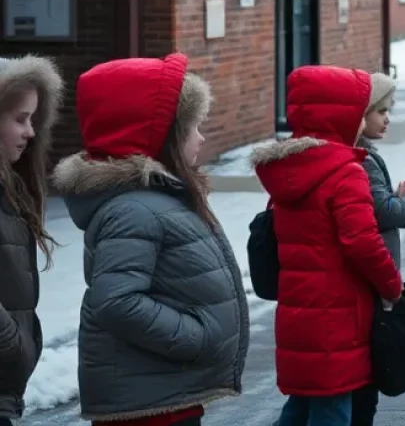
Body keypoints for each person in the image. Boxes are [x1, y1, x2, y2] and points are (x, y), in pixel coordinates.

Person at [52, 54, 249, 426]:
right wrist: (195, 337)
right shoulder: (133, 210)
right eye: (193, 127)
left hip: (166, 393)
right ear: (160, 137)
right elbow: (115, 301)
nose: (202, 137)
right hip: (147, 406)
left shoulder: (154, 199)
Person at [253, 66, 403, 426]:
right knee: (332, 410)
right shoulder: (344, 171)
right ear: (345, 115)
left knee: (304, 404)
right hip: (338, 316)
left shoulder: (290, 169)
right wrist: (392, 286)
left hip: (299, 311)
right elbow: (362, 242)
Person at [352, 72, 405, 425]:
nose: (388, 118)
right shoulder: (362, 159)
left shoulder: (363, 156)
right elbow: (382, 212)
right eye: (381, 111)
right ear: (360, 115)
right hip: (369, 286)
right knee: (360, 387)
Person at [0, 56, 62, 426]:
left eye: (33, 120)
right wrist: (12, 346)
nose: (30, 133)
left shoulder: (10, 192)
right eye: (20, 119)